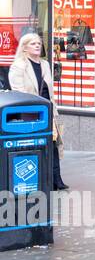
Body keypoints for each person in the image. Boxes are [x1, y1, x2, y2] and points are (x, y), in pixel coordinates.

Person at [8, 32, 68, 190]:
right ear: (25, 47)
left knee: (53, 145)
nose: (37, 46)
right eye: (33, 43)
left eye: (39, 43)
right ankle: (38, 180)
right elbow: (19, 92)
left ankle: (57, 180)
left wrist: (53, 108)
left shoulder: (45, 64)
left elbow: (50, 90)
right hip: (30, 113)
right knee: (34, 145)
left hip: (48, 111)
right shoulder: (18, 66)